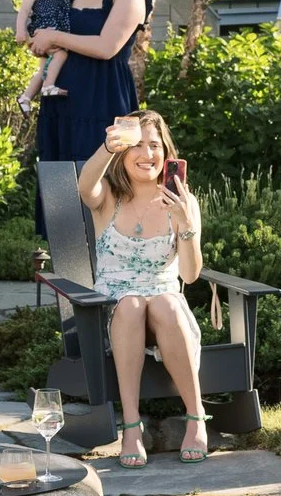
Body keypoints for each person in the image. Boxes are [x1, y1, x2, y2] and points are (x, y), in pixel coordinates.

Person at [77, 109, 209, 464]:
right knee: (133, 303)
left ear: (166, 153)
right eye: (137, 145)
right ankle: (131, 426)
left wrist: (184, 222)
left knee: (165, 303)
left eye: (154, 146)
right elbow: (84, 185)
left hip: (167, 309)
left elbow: (191, 275)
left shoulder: (182, 203)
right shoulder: (109, 197)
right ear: (123, 152)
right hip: (116, 309)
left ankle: (196, 418)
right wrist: (106, 146)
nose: (147, 154)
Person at [30, 0, 152, 228]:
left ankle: (109, 268)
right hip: (62, 100)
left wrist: (54, 36)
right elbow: (39, 16)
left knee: (108, 183)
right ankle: (70, 266)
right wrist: (37, 38)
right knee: (62, 187)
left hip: (108, 98)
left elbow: (107, 47)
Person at [14, 0, 75, 113]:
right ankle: (48, 87)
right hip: (43, 28)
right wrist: (21, 31)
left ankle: (25, 98)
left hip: (57, 29)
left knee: (42, 69)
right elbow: (24, 10)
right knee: (61, 54)